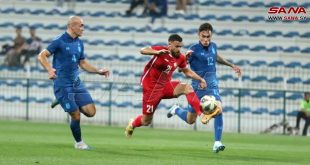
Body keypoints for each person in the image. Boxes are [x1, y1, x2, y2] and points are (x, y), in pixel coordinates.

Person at [125, 34, 219, 137]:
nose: (179, 49)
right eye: (176, 46)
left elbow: (187, 71)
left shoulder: (180, 58)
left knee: (186, 88)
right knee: (146, 121)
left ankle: (202, 115)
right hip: (151, 89)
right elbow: (142, 50)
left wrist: (201, 79)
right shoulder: (161, 50)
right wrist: (156, 52)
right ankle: (132, 124)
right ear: (170, 45)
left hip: (165, 86)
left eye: (180, 46)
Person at [167, 23, 242, 153]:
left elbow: (216, 57)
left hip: (212, 85)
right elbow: (180, 68)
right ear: (199, 35)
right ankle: (176, 109)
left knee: (218, 109)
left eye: (208, 37)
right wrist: (186, 59)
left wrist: (231, 65)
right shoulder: (192, 50)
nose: (206, 39)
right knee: (190, 120)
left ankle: (217, 142)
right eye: (203, 36)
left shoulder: (213, 46)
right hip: (197, 87)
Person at [37, 16, 110, 150]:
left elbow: (82, 63)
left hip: (76, 83)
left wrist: (98, 70)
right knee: (76, 115)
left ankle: (62, 100)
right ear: (72, 26)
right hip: (63, 84)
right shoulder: (59, 41)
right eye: (81, 25)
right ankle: (79, 143)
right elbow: (41, 55)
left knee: (91, 112)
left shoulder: (79, 43)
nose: (83, 28)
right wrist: (49, 69)